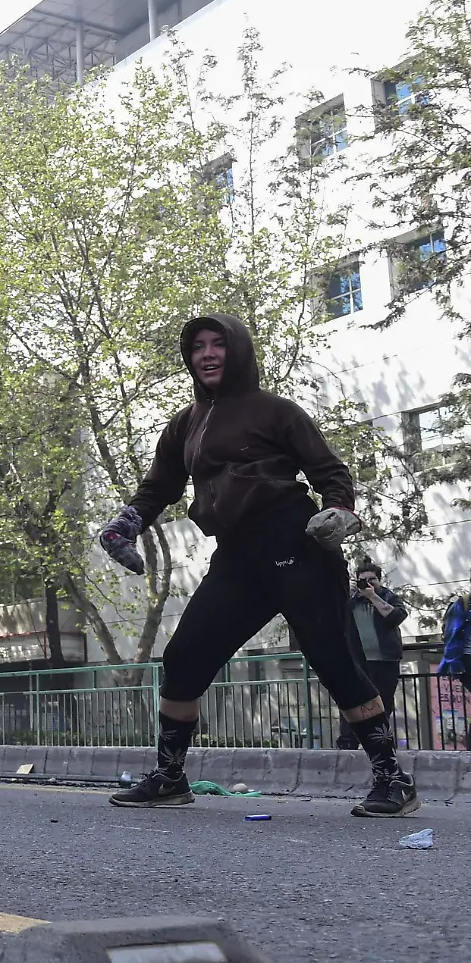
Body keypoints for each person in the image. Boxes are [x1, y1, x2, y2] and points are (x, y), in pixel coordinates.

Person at [99, 314, 417, 817]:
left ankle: (392, 779)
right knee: (183, 658)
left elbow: (331, 472)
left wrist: (340, 510)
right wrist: (124, 526)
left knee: (335, 660)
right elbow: (158, 486)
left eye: (217, 344)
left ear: (238, 351)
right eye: (197, 346)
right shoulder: (184, 425)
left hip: (295, 540)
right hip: (237, 554)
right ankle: (170, 776)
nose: (206, 354)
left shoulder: (276, 411)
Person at [337, 562, 409, 750]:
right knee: (351, 701)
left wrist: (373, 596)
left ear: (380, 580)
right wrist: (345, 591)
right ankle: (347, 743)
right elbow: (334, 617)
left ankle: (381, 744)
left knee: (383, 703)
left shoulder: (389, 597)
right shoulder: (351, 601)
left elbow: (397, 617)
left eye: (372, 580)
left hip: (385, 660)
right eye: (363, 581)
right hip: (358, 661)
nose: (368, 584)